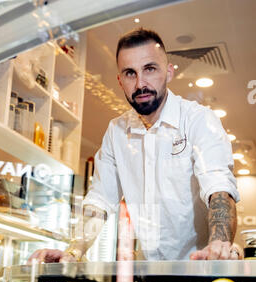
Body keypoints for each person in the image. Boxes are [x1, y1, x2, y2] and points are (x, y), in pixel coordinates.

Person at [29, 28, 241, 264]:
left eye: (150, 69)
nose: (141, 83)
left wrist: (219, 244)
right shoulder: (116, 132)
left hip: (201, 266)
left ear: (168, 72)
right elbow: (100, 199)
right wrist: (73, 251)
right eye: (130, 73)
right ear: (120, 81)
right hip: (150, 273)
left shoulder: (198, 119)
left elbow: (218, 186)